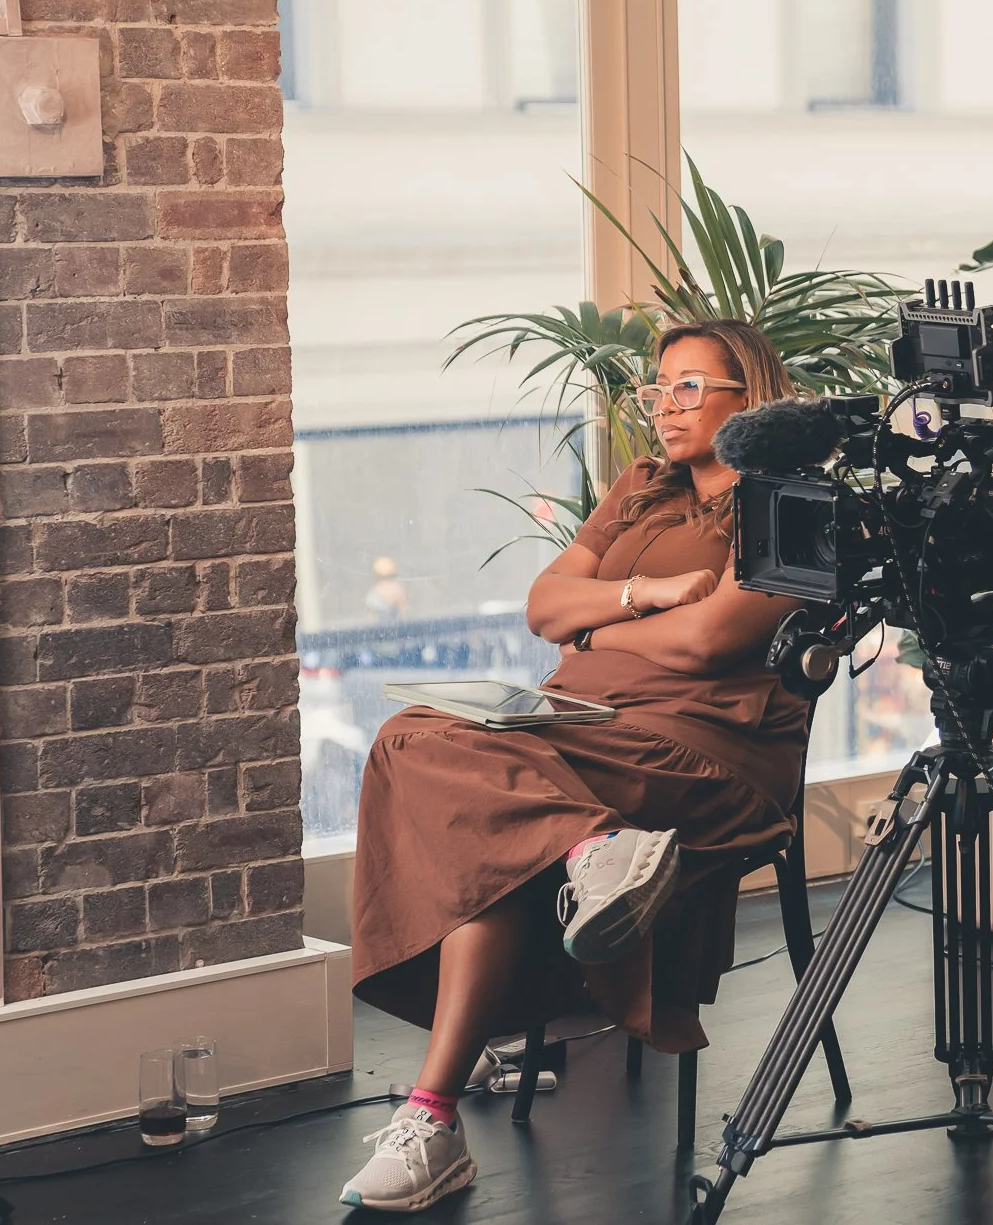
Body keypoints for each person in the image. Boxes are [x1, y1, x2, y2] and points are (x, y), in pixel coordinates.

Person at [341, 320, 809, 1213]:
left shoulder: (789, 506)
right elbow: (544, 604)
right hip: (577, 722)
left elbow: (714, 642)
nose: (663, 406)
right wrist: (648, 595)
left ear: (750, 399)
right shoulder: (640, 488)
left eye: (688, 389)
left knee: (495, 851)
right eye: (656, 388)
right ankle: (593, 849)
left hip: (699, 748)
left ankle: (432, 1119)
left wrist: (598, 625)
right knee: (410, 733)